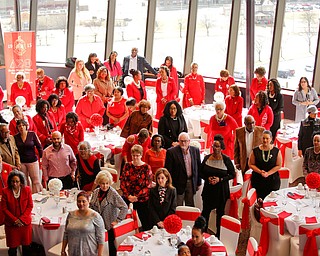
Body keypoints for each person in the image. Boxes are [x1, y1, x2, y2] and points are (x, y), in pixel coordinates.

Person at [200, 134, 235, 237]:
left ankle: (218, 236)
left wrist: (220, 179)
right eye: (214, 146)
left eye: (217, 146)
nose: (215, 148)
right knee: (205, 213)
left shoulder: (226, 159)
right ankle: (203, 233)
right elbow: (201, 172)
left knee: (220, 214)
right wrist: (207, 178)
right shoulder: (207, 158)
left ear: (221, 147)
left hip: (221, 191)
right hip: (208, 190)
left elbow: (232, 174)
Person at [90, 170, 128, 256]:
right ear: (99, 183)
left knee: (110, 248)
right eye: (102, 183)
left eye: (107, 183)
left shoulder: (113, 193)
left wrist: (117, 220)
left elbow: (124, 207)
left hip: (109, 226)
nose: (105, 186)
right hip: (97, 224)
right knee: (100, 246)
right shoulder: (96, 192)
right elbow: (91, 205)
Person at [120, 144, 153, 231]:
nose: (135, 157)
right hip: (128, 197)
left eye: (137, 155)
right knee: (125, 221)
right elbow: (122, 182)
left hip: (142, 199)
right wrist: (128, 196)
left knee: (146, 223)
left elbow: (148, 186)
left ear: (141, 155)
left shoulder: (146, 167)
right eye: (133, 155)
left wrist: (136, 197)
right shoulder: (127, 166)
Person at [61, 191, 105, 256]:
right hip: (73, 251)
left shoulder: (95, 216)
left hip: (89, 252)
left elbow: (101, 238)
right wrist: (63, 250)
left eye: (83, 201)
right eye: (79, 201)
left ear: (88, 201)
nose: (81, 204)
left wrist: (100, 254)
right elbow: (66, 234)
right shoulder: (70, 214)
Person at [1, 170, 33, 256]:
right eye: (13, 181)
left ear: (21, 182)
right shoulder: (5, 191)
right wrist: (15, 220)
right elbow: (4, 208)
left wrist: (21, 219)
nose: (14, 184)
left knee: (26, 247)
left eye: (17, 181)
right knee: (12, 249)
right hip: (11, 225)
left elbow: (30, 206)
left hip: (24, 224)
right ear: (10, 181)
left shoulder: (27, 190)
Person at [165, 132, 201, 207]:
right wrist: (170, 185)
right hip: (177, 184)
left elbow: (198, 168)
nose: (183, 143)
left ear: (189, 141)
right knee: (177, 206)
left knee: (190, 205)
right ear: (178, 141)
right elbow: (168, 171)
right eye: (181, 141)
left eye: (185, 141)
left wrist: (198, 182)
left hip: (191, 182)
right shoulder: (171, 152)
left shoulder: (195, 151)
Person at [249, 130, 282, 199]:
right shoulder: (255, 151)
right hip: (258, 179)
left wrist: (268, 173)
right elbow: (251, 164)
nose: (265, 140)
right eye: (263, 138)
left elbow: (279, 165)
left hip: (272, 179)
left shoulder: (276, 151)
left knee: (271, 199)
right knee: (259, 199)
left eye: (267, 138)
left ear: (271, 139)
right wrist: (260, 172)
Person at [14, 119, 43, 193]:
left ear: (26, 126)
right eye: (19, 126)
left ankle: (37, 196)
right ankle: (27, 197)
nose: (21, 127)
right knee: (24, 181)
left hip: (32, 160)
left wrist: (42, 158)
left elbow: (39, 147)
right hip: (22, 162)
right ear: (17, 127)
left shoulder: (32, 134)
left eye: (23, 125)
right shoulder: (15, 137)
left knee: (35, 181)